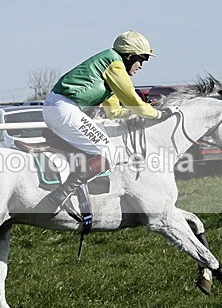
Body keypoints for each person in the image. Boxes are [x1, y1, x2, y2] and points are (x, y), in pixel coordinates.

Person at [42, 30, 172, 212]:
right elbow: (135, 103)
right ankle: (61, 194)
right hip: (63, 109)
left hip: (59, 108)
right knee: (109, 152)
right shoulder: (116, 65)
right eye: (141, 59)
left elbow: (114, 112)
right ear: (128, 56)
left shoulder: (110, 69)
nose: (141, 65)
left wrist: (137, 112)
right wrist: (160, 114)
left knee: (103, 148)